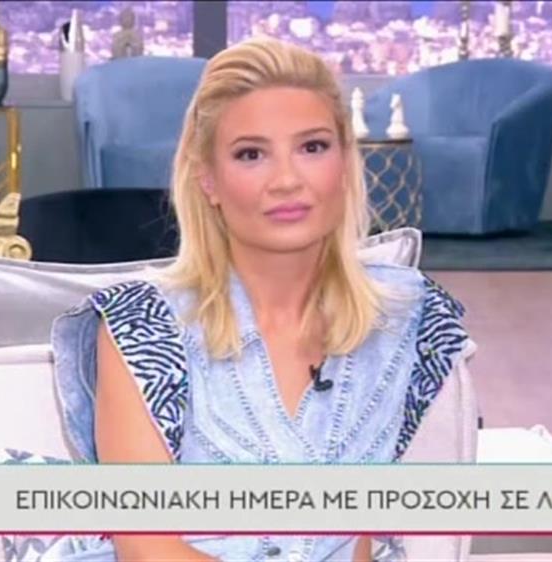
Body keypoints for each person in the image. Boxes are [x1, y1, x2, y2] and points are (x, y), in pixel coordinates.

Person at [49, 38, 477, 562]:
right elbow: (147, 549)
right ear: (208, 179)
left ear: (345, 163)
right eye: (251, 154)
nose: (287, 181)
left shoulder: (407, 318)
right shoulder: (142, 325)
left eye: (312, 147)